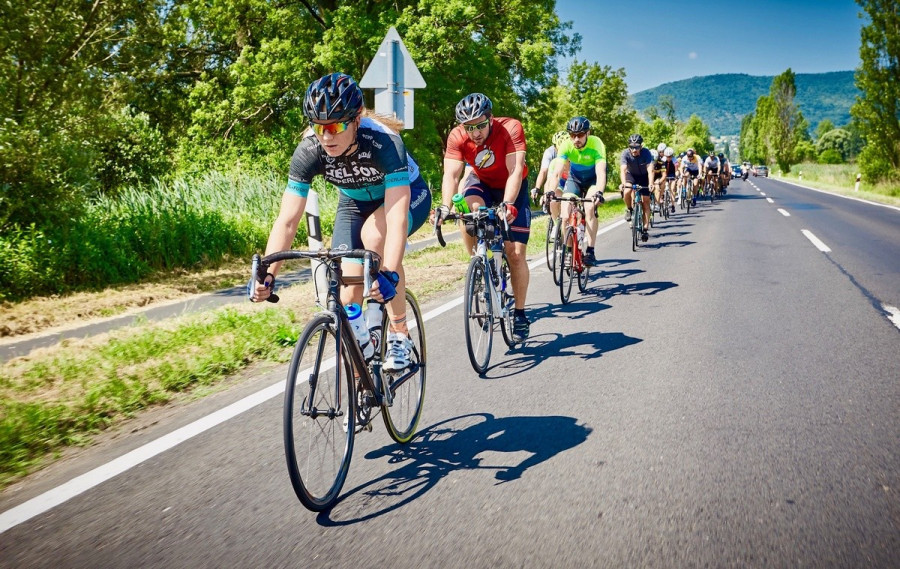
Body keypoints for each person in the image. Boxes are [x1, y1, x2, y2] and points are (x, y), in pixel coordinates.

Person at [250, 72, 432, 372]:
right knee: (347, 292)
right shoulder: (309, 150)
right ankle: (366, 347)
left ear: (356, 120)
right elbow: (287, 220)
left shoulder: (385, 141)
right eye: (318, 127)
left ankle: (400, 334)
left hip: (407, 197)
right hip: (355, 202)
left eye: (335, 126)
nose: (326, 137)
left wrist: (389, 272)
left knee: (375, 236)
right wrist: (268, 273)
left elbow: (397, 218)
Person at [435, 93, 532, 342]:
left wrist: (508, 204)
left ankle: (519, 314)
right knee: (470, 214)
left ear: (490, 118)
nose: (475, 132)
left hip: (513, 185)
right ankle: (477, 262)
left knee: (516, 253)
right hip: (482, 183)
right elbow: (452, 176)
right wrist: (445, 206)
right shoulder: (457, 136)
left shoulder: (510, 128)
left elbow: (515, 171)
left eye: (480, 125)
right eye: (469, 127)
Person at [542, 116, 607, 266]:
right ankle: (569, 252)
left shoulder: (597, 144)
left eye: (580, 135)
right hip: (575, 180)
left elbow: (601, 172)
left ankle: (590, 251)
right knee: (565, 214)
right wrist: (550, 191)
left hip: (593, 180)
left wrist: (600, 192)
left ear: (588, 133)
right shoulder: (566, 146)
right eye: (572, 135)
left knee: (589, 207)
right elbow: (557, 173)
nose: (576, 139)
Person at [620, 134, 655, 242]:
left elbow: (650, 170)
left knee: (646, 202)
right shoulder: (625, 153)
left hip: (644, 177)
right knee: (627, 191)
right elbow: (623, 170)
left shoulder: (646, 153)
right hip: (631, 175)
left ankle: (645, 229)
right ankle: (630, 209)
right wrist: (623, 183)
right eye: (632, 147)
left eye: (636, 147)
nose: (634, 150)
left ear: (641, 146)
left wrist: (651, 183)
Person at [531, 131, 569, 206]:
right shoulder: (549, 152)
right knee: (551, 181)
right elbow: (544, 171)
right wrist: (537, 188)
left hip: (569, 176)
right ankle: (548, 205)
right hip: (555, 176)